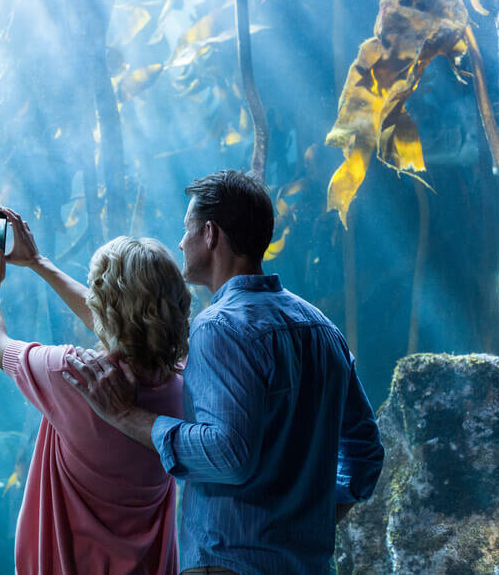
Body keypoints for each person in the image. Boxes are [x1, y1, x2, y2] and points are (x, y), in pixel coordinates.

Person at [63, 170, 385, 575]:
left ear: (210, 233)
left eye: (187, 230)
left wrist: (126, 415)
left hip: (229, 563)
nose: (180, 242)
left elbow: (229, 454)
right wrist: (309, 520)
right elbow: (365, 452)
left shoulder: (219, 327)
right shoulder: (323, 329)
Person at [0, 206, 190, 575]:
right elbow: (123, 327)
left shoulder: (72, 376)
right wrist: (38, 262)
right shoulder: (184, 385)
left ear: (103, 303)